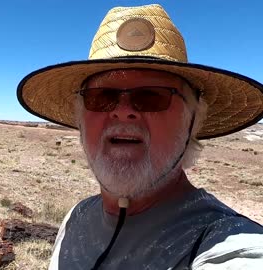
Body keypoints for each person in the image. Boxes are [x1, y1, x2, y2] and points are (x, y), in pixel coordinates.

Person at [17, 4, 263, 270]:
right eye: (102, 98)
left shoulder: (227, 246)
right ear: (80, 121)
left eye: (151, 96)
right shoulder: (77, 217)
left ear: (192, 121)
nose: (123, 112)